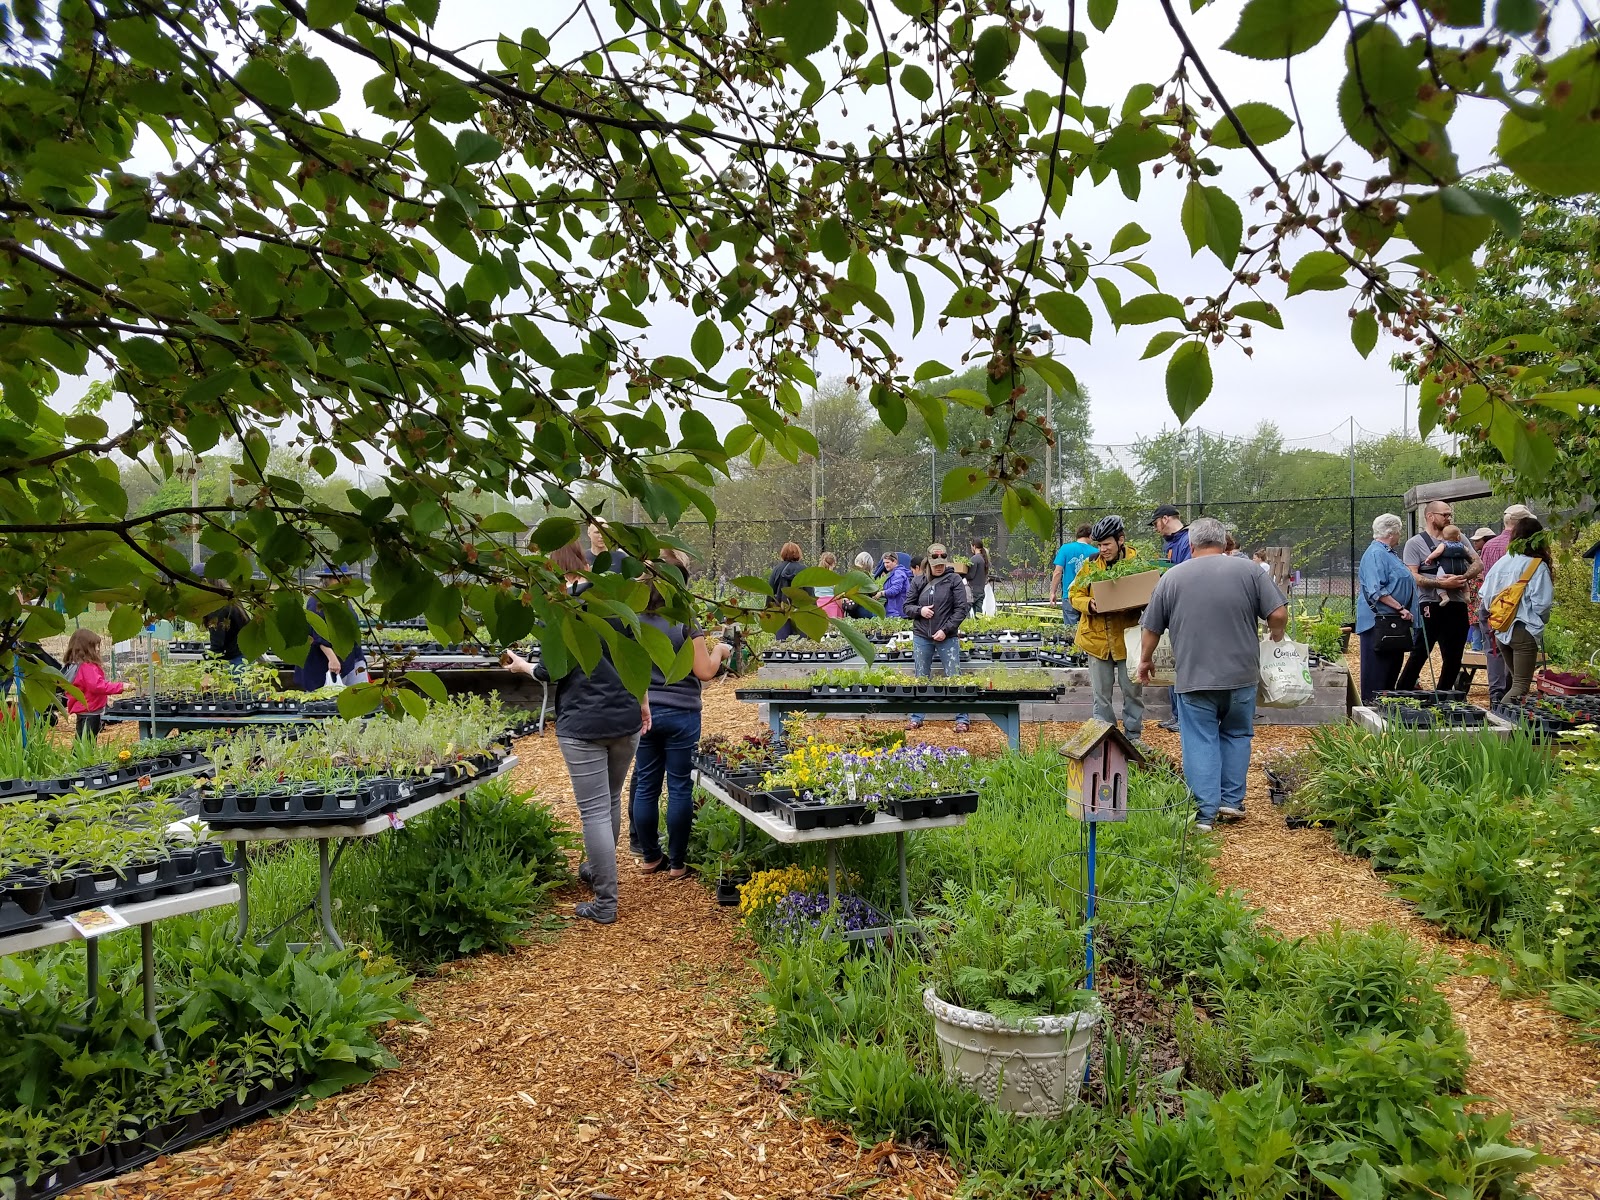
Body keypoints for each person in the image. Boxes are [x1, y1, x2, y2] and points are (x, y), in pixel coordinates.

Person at [503, 540, 647, 925]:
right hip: (624, 718)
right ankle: (597, 869)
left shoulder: (563, 609)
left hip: (583, 724)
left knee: (594, 813)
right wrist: (643, 702)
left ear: (551, 568)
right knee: (611, 800)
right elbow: (638, 656)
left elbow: (553, 669)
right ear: (582, 559)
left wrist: (522, 667)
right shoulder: (614, 601)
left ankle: (605, 901)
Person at [1139, 517, 1288, 833]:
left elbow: (1151, 627)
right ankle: (1231, 801)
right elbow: (1278, 613)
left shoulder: (1172, 577)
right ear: (1224, 543)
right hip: (1242, 676)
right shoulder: (1248, 570)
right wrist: (1275, 636)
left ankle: (1204, 814)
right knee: (1237, 734)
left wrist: (1144, 661)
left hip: (1195, 677)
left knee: (1200, 739)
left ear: (1190, 545)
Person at [630, 551, 733, 879]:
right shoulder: (685, 617)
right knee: (678, 787)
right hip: (682, 712)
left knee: (646, 784)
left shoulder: (631, 617)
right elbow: (704, 671)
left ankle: (649, 857)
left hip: (645, 712)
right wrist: (720, 650)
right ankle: (676, 863)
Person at [1068, 516, 1145, 743]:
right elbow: (1074, 595)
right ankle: (1106, 739)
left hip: (1127, 640)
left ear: (1120, 540)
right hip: (1096, 640)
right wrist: (1089, 604)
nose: (1102, 549)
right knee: (1101, 695)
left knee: (1132, 691)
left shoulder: (1136, 563)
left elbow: (1149, 594)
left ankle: (1133, 737)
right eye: (1099, 545)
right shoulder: (1090, 565)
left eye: (1107, 544)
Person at [1397, 500, 1482, 693]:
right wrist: (1440, 584)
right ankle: (1402, 691)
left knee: (1454, 655)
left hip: (1457, 603)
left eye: (1450, 514)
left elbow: (1478, 564)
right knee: (1420, 651)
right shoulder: (1416, 544)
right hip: (1430, 604)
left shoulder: (1459, 539)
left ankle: (1444, 695)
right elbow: (1414, 576)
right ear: (1430, 516)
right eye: (1445, 514)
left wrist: (1463, 577)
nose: (1449, 518)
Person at [1480, 516, 1555, 707]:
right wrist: (1540, 622)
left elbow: (1486, 597)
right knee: (1520, 686)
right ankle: (1498, 721)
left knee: (1515, 682)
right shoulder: (1536, 565)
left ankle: (1511, 724)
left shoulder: (1502, 563)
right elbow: (1542, 604)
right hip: (1524, 631)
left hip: (1501, 630)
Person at [908, 542, 971, 733]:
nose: (939, 567)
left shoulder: (954, 580)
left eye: (942, 564)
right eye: (936, 565)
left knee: (953, 677)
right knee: (921, 677)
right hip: (922, 636)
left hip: (947, 637)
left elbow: (961, 609)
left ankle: (962, 718)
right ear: (928, 562)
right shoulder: (918, 581)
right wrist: (921, 610)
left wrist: (946, 629)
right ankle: (917, 717)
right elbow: (907, 607)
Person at [1355, 514, 1417, 704]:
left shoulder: (1388, 553)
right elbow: (1376, 590)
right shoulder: (1375, 554)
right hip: (1379, 623)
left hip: (1394, 623)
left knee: (1390, 670)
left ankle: (1386, 713)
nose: (1400, 535)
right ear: (1392, 532)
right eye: (1399, 531)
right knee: (1377, 673)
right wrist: (1400, 608)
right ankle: (1371, 710)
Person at [1478, 505, 1534, 707]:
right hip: (1517, 608)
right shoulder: (1523, 546)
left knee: (1494, 651)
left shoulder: (1489, 545)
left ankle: (1495, 696)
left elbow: (1485, 577)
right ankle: (1511, 698)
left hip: (1491, 606)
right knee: (1516, 651)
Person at [294, 565, 367, 689]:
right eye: (337, 579)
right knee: (324, 700)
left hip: (349, 658)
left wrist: (359, 659)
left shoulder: (343, 599)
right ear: (327, 580)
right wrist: (332, 658)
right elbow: (318, 632)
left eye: (345, 579)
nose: (342, 582)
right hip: (323, 662)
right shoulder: (316, 600)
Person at [62, 629, 125, 741]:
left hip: (83, 710)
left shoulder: (76, 665)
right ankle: (82, 758)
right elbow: (97, 686)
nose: (98, 649)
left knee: (82, 740)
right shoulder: (87, 667)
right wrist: (121, 687)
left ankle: (77, 758)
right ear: (86, 648)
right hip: (90, 710)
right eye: (95, 646)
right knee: (87, 743)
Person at [1050, 524, 1097, 629]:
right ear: (1090, 535)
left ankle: (1072, 645)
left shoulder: (1065, 549)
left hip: (1070, 596)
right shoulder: (1095, 552)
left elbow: (1058, 572)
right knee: (1088, 630)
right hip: (1088, 598)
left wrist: (1053, 592)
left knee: (1071, 631)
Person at [1420, 524, 1476, 602]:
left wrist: (1429, 558)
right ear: (1458, 537)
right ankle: (1466, 595)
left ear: (1443, 537)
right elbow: (1467, 552)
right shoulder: (1461, 545)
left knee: (1439, 580)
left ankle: (1444, 596)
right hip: (1460, 569)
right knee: (1463, 581)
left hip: (1446, 569)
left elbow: (1437, 552)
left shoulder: (1443, 544)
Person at [767, 541, 808, 640]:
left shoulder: (776, 570)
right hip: (800, 613)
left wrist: (768, 611)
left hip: (781, 612)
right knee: (803, 647)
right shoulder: (804, 570)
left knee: (781, 646)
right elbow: (810, 594)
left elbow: (770, 593)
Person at [1466, 527, 1496, 651]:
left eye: (1478, 540)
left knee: (1484, 620)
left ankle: (1485, 647)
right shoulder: (1475, 556)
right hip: (1474, 593)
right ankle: (1477, 646)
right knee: (1475, 621)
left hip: (1483, 592)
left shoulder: (1489, 555)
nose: (1475, 543)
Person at [204, 585, 249, 668]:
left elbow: (217, 645)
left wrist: (208, 673)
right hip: (245, 654)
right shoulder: (230, 601)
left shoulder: (217, 609)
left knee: (235, 680)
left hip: (237, 659)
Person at [880, 551, 912, 618]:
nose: (885, 565)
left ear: (895, 561)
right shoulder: (893, 573)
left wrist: (881, 593)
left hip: (898, 613)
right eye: (884, 563)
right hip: (895, 611)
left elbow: (895, 589)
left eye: (887, 562)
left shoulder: (898, 573)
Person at [815, 551, 846, 619]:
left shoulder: (815, 577)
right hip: (832, 607)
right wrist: (842, 609)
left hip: (818, 606)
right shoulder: (834, 578)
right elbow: (837, 596)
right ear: (833, 564)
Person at [967, 539, 990, 613]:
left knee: (965, 611)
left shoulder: (975, 559)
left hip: (973, 590)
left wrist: (961, 574)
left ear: (974, 546)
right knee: (978, 614)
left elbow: (971, 575)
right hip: (981, 590)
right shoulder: (983, 558)